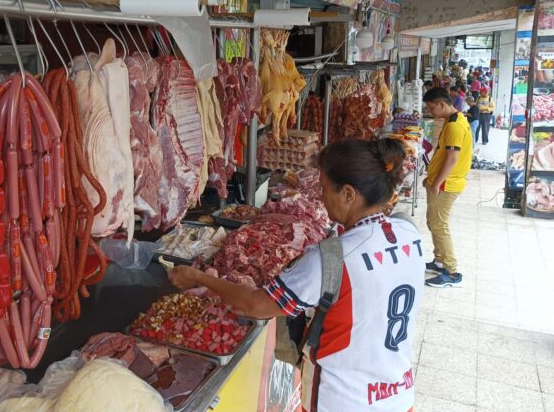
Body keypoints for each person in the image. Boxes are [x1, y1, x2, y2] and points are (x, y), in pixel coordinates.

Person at [169, 139, 424, 412]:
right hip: (397, 396)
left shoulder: (332, 258)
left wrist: (198, 276)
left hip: (343, 401)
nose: (321, 197)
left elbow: (255, 305)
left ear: (349, 194)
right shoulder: (408, 233)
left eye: (324, 189)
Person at [422, 87, 472, 287]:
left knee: (439, 225)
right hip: (444, 181)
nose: (430, 111)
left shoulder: (454, 126)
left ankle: (451, 271)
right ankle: (439, 260)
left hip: (446, 184)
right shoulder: (456, 120)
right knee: (433, 222)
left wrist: (435, 183)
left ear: (442, 104)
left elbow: (452, 159)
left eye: (431, 107)